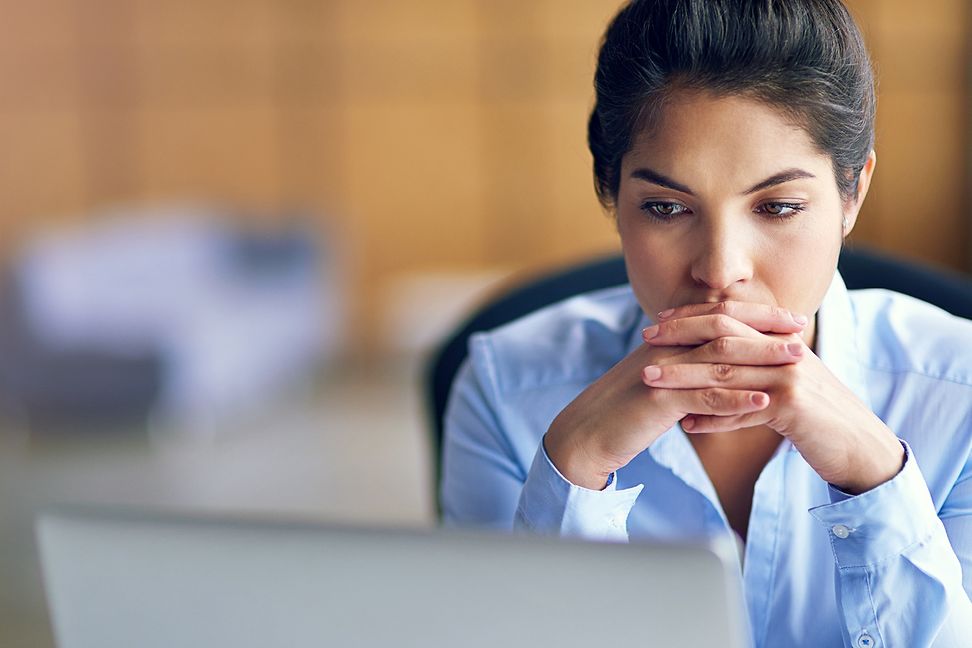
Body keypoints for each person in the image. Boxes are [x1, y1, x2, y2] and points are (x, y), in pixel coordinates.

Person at [439, 0, 972, 646]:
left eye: (777, 206)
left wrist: (876, 477)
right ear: (610, 192)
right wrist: (572, 472)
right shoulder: (504, 388)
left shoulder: (960, 396)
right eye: (666, 207)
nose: (721, 270)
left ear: (853, 193)